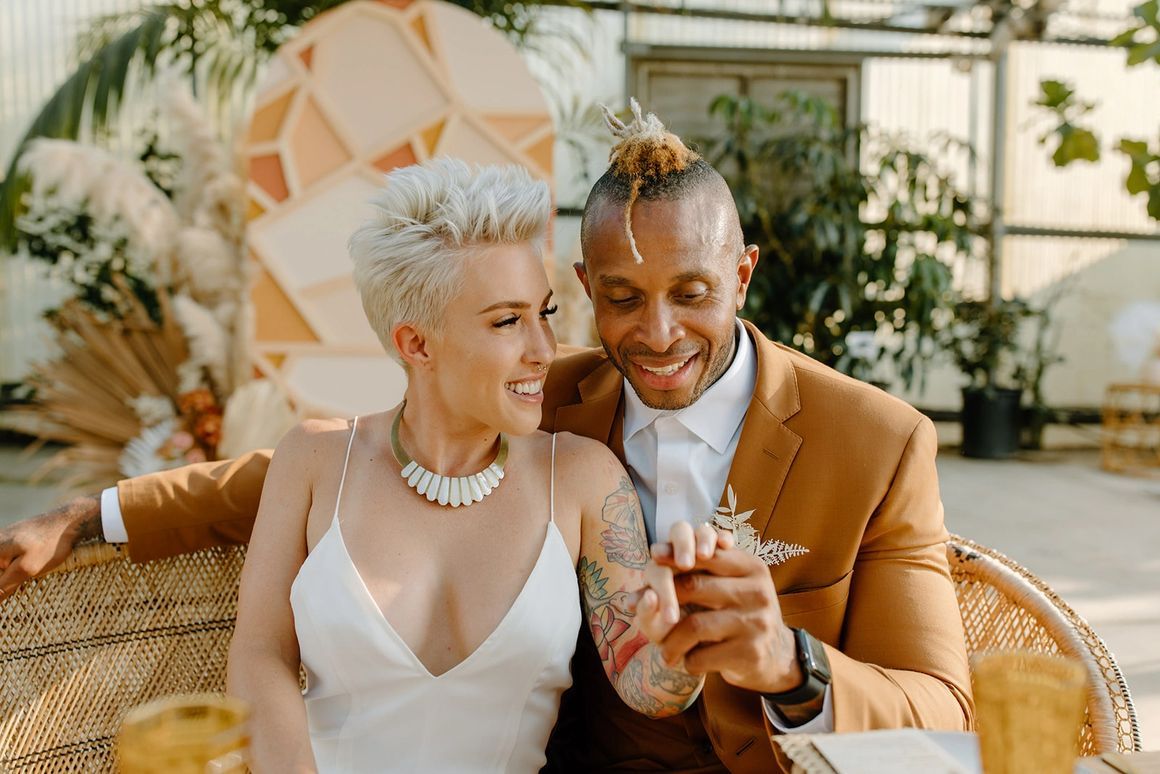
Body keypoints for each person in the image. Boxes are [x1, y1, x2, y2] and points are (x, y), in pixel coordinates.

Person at [1, 102, 973, 772]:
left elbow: (939, 710)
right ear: (588, 291)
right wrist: (93, 513)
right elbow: (283, 478)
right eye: (620, 300)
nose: (658, 332)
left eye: (692, 293)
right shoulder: (542, 396)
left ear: (744, 276)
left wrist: (780, 663)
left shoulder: (875, 441)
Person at [221, 158, 710, 771]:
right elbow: (260, 654)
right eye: (508, 321)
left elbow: (647, 684)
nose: (543, 350)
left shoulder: (583, 478)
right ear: (416, 344)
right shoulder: (316, 461)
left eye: (545, 313)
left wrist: (685, 642)